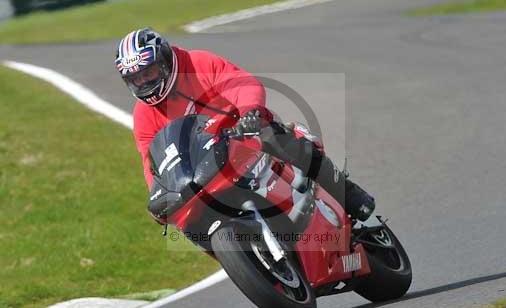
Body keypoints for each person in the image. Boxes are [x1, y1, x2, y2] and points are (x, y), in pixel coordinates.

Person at [114, 27, 376, 225]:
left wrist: (250, 112)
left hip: (243, 132)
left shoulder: (198, 63)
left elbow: (242, 82)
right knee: (187, 220)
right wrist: (161, 196)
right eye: (135, 79)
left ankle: (347, 193)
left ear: (165, 61)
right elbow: (153, 162)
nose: (144, 82)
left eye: (148, 72)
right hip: (204, 166)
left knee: (275, 138)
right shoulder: (144, 115)